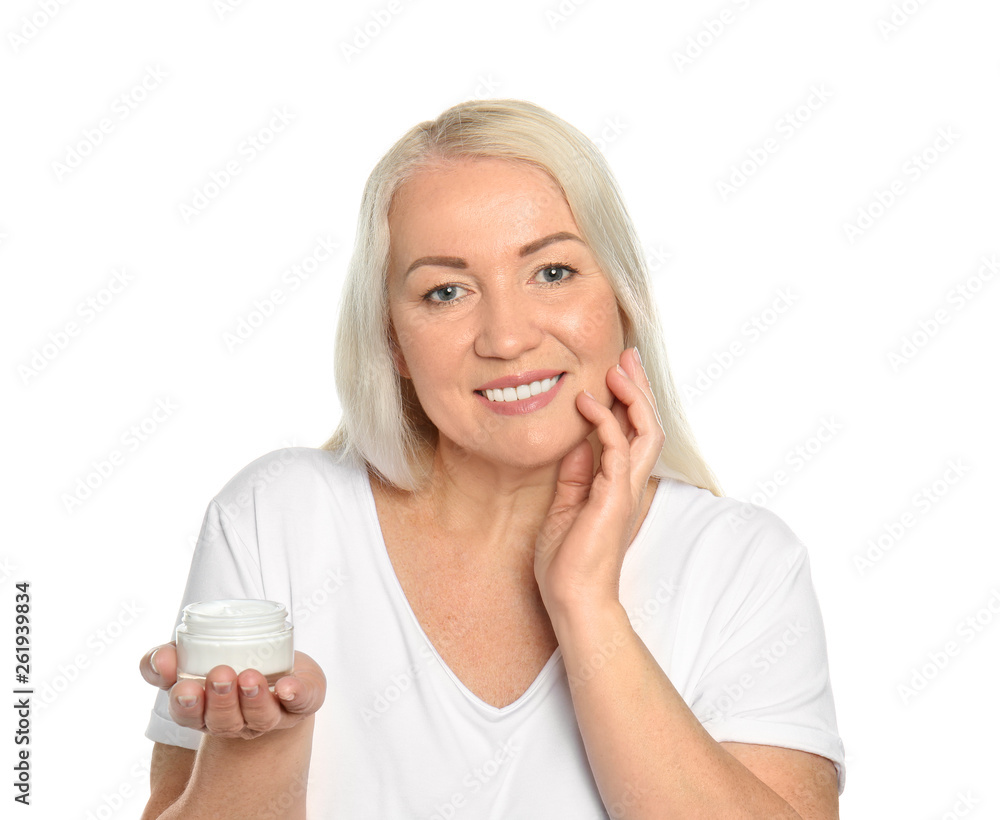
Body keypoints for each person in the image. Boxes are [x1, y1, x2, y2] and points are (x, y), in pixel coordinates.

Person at [139, 98, 845, 818]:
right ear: (392, 344)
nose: (506, 338)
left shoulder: (743, 565)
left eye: (552, 272)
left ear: (624, 299)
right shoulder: (278, 520)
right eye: (446, 291)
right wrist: (260, 746)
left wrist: (584, 606)